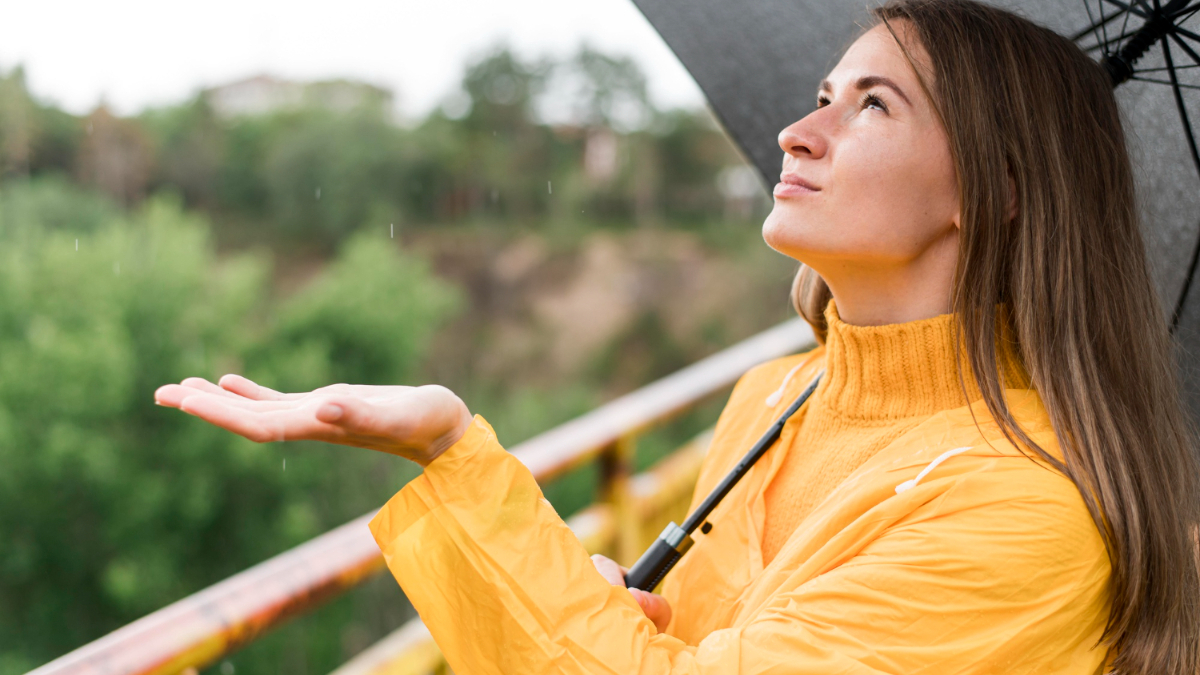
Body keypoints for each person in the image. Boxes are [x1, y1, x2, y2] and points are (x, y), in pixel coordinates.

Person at [154, 0, 1200, 672]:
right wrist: (632, 619)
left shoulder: (1023, 508)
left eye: (873, 107)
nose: (804, 130)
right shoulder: (777, 399)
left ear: (999, 188)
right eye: (822, 94)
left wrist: (449, 456)